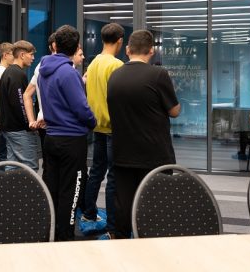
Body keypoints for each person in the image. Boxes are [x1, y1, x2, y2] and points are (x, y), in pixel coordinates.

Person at [107, 30, 180, 239]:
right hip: (154, 154)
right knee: (155, 205)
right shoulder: (158, 75)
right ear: (152, 51)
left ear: (128, 50)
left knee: (123, 206)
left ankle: (121, 242)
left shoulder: (114, 76)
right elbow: (174, 111)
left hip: (122, 152)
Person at [38, 25, 96, 241]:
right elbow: (81, 108)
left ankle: (50, 235)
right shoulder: (69, 72)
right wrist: (93, 121)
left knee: (52, 190)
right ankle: (64, 239)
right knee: (71, 193)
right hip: (71, 141)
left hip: (52, 138)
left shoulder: (44, 69)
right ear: (75, 46)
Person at [82, 23, 125, 239]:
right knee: (113, 178)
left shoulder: (92, 64)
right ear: (120, 41)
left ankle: (89, 214)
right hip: (113, 128)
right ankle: (112, 225)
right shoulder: (117, 65)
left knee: (96, 172)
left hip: (96, 126)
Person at [0, 40, 40, 170]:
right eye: (31, 54)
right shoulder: (17, 74)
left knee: (13, 166)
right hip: (19, 130)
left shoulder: (9, 72)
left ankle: (11, 185)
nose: (33, 58)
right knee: (30, 167)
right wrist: (29, 124)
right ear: (22, 55)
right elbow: (20, 103)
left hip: (10, 128)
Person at [0, 42, 14, 163]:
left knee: (3, 156)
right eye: (12, 54)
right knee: (2, 157)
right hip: (2, 122)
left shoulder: (1, 71)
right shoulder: (2, 72)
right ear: (5, 55)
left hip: (1, 121)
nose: (14, 57)